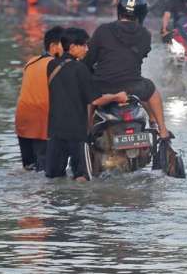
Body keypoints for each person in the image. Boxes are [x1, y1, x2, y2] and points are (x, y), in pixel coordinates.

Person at [84, 0, 170, 139]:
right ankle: (162, 130)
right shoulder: (145, 35)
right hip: (133, 86)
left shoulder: (103, 30)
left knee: (87, 96)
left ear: (119, 11)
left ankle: (86, 130)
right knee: (152, 90)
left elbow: (89, 60)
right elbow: (139, 57)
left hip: (103, 86)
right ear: (142, 14)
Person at [46, 28, 128, 181]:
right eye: (83, 45)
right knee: (82, 177)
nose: (87, 49)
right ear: (72, 47)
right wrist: (117, 96)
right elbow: (95, 100)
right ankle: (80, 205)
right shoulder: (80, 68)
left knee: (53, 178)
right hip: (76, 132)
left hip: (54, 130)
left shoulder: (51, 66)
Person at [14, 26, 65, 171]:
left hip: (22, 122)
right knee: (45, 171)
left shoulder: (31, 62)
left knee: (29, 169)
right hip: (42, 124)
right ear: (53, 46)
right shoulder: (57, 66)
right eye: (65, 45)